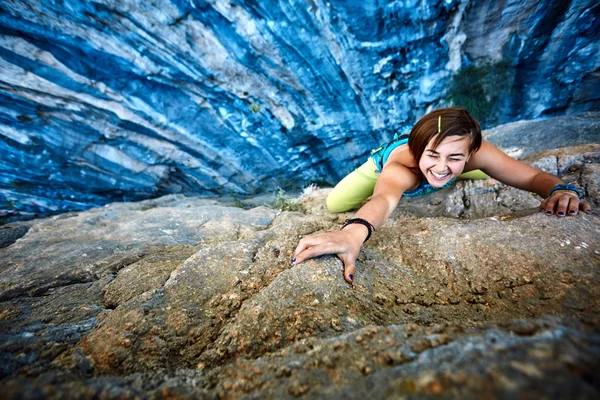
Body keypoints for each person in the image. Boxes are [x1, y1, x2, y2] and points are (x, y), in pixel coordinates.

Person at [292, 107, 592, 286]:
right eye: (432, 154)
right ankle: (457, 165)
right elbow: (383, 199)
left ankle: (481, 165)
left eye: (455, 156)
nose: (440, 166)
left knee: (493, 168)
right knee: (335, 203)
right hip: (379, 168)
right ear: (419, 151)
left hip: (465, 164)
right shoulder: (403, 167)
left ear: (471, 152)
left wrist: (561, 189)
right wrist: (352, 233)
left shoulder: (476, 155)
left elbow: (532, 177)